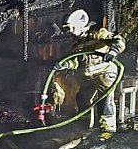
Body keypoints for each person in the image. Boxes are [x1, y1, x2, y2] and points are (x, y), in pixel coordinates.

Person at [53, 9, 125, 141]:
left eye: (72, 27)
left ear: (81, 25)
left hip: (105, 73)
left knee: (104, 100)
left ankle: (107, 132)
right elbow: (75, 62)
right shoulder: (77, 43)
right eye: (69, 28)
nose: (71, 31)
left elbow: (119, 40)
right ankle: (84, 128)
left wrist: (113, 52)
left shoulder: (98, 33)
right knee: (82, 98)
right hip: (88, 77)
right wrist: (64, 64)